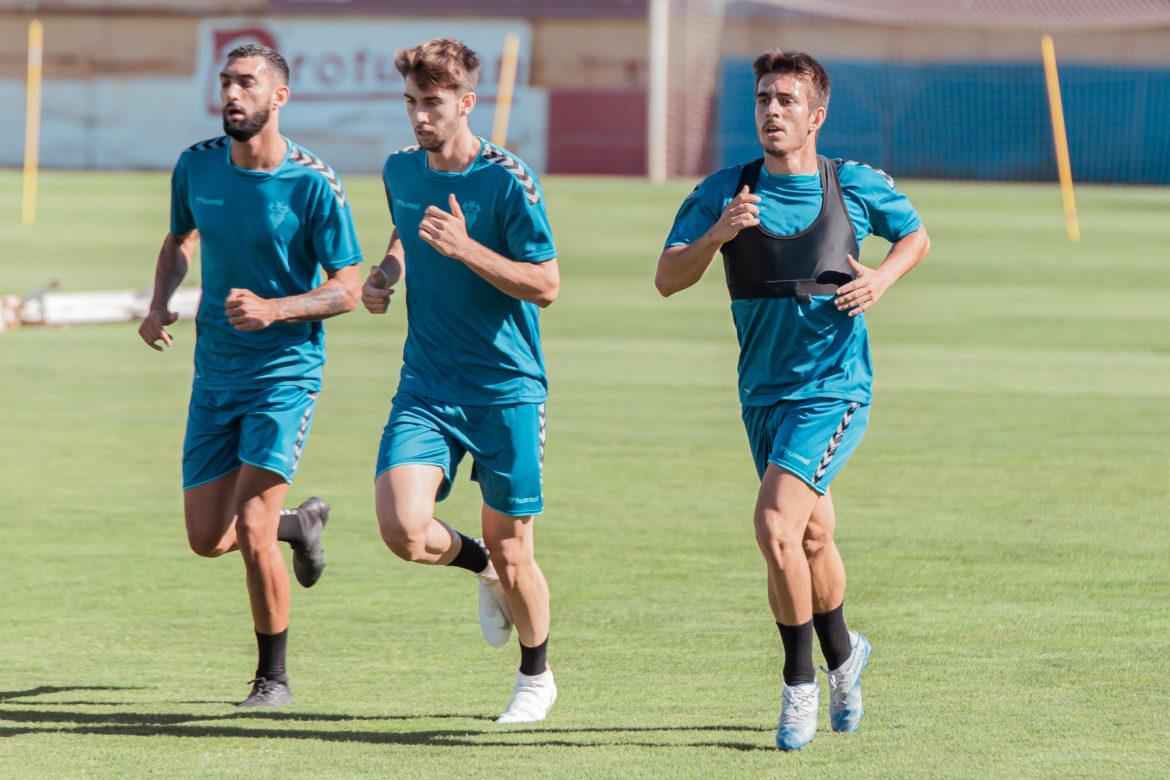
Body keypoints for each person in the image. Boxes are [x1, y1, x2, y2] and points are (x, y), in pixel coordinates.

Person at [655, 49, 930, 750]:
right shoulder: (724, 190)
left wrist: (883, 279)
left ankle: (798, 682)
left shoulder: (854, 183)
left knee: (776, 526)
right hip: (762, 395)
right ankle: (845, 656)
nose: (772, 112)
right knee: (810, 536)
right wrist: (718, 233)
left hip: (834, 390)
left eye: (786, 100)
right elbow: (666, 278)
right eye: (763, 100)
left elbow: (916, 235)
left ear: (817, 115)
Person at [138, 44, 363, 708]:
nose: (232, 93)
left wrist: (276, 310)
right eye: (227, 82)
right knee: (207, 538)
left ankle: (273, 680)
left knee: (253, 529)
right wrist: (158, 304)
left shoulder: (314, 182)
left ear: (280, 97)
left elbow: (347, 289)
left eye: (248, 83)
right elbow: (181, 239)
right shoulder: (197, 165)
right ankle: (302, 525)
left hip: (285, 374)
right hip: (215, 374)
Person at [361, 38, 560, 724]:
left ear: (467, 103)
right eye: (411, 103)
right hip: (427, 385)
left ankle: (536, 679)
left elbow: (547, 285)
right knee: (402, 528)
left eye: (433, 104)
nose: (419, 117)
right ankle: (477, 567)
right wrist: (388, 273)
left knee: (518, 551)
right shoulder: (400, 171)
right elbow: (405, 232)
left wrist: (467, 248)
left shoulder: (508, 180)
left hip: (507, 390)